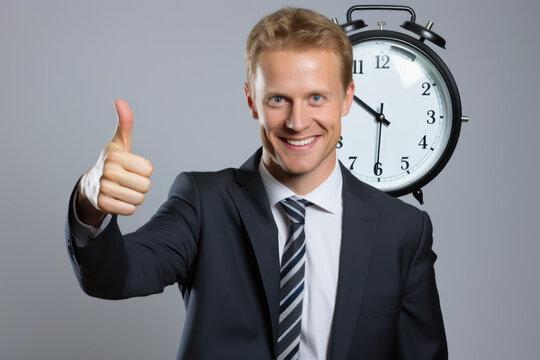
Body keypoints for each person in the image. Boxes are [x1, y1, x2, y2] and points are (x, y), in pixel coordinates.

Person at [66, 7, 447, 360]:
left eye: (316, 97)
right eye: (278, 99)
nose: (298, 122)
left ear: (347, 99)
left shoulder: (403, 230)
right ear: (251, 102)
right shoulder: (204, 203)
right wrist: (90, 203)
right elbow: (116, 276)